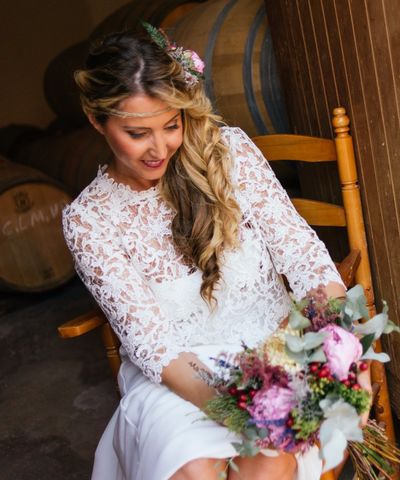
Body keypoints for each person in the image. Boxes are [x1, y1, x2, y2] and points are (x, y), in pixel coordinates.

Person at [62, 29, 369, 480]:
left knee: (268, 461)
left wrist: (344, 350)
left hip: (276, 347)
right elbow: (157, 349)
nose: (159, 148)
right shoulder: (88, 219)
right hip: (179, 377)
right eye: (136, 133)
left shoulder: (230, 154)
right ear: (96, 119)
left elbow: (306, 260)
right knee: (194, 469)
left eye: (172, 125)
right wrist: (244, 412)